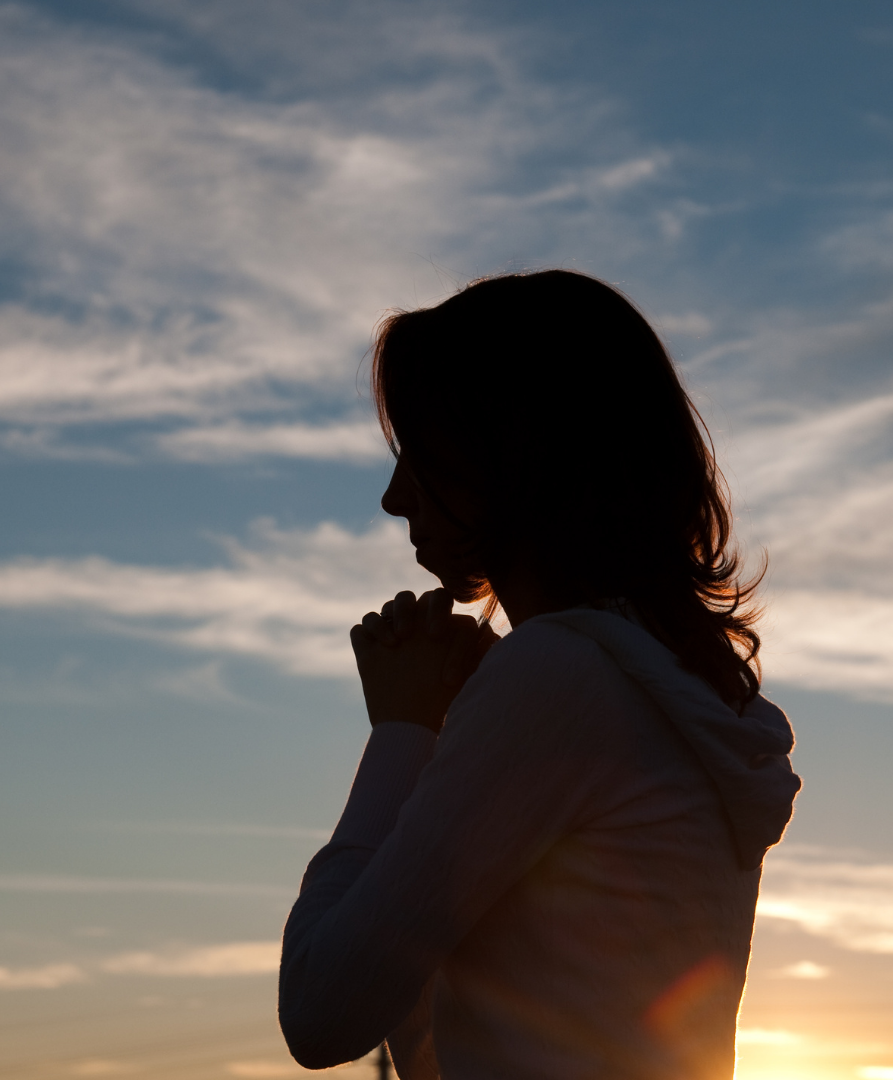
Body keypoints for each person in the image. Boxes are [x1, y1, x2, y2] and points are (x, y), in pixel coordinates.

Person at [278, 271, 801, 1080]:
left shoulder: (558, 677)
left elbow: (321, 1007)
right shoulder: (672, 680)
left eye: (422, 454)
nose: (393, 496)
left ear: (508, 451)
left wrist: (402, 729)